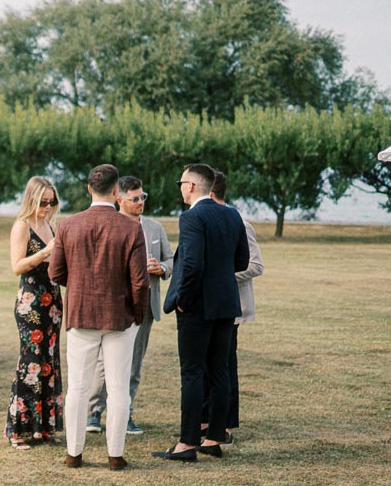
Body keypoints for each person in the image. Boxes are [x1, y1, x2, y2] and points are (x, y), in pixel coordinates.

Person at [48, 165, 149, 470]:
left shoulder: (68, 225)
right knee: (118, 388)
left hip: (81, 313)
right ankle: (115, 455)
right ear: (116, 191)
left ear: (89, 189)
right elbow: (140, 281)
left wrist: (79, 285)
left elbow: (56, 272)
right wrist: (137, 314)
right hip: (120, 317)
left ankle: (74, 452)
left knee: (78, 386)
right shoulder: (131, 228)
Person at [154, 164, 250, 463]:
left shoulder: (192, 217)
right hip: (226, 304)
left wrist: (182, 299)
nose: (180, 187)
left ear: (192, 186)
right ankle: (214, 438)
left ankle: (186, 443)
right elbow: (242, 259)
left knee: (193, 373)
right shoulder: (232, 214)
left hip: (197, 308)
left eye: (181, 182)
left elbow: (192, 265)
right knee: (219, 372)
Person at [86, 175, 172, 436]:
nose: (141, 202)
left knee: (134, 364)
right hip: (117, 305)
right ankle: (94, 412)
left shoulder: (155, 228)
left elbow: (171, 257)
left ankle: (127, 414)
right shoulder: (111, 226)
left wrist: (162, 268)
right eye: (135, 199)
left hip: (145, 306)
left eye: (143, 197)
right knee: (104, 362)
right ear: (119, 199)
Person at [6, 176, 64, 448]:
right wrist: (44, 253)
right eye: (43, 202)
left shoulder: (49, 226)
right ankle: (18, 429)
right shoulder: (22, 226)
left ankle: (43, 426)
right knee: (30, 362)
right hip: (31, 302)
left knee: (49, 363)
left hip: (52, 300)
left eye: (52, 202)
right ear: (31, 200)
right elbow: (17, 266)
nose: (47, 207)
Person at [210, 170, 263, 442]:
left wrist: (220, 276)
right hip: (209, 307)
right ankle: (207, 420)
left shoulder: (240, 222)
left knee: (226, 365)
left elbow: (255, 265)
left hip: (232, 306)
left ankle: (227, 425)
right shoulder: (204, 218)